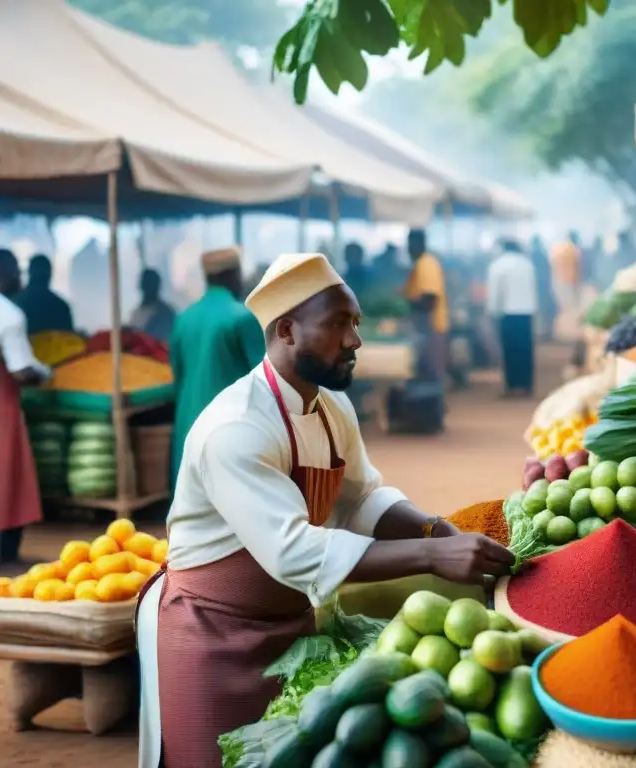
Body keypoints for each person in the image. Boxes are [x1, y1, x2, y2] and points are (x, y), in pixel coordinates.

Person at [135, 252, 514, 767]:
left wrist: (436, 529)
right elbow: (292, 551)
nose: (356, 340)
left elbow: (361, 497)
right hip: (210, 636)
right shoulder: (237, 429)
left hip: (289, 628)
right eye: (338, 324)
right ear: (287, 331)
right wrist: (429, 556)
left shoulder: (331, 406)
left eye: (355, 323)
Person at [168, 247, 266, 490]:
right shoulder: (242, 317)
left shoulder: (184, 319)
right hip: (229, 426)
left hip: (188, 424)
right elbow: (266, 379)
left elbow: (177, 374)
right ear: (234, 275)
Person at [0, 250, 48, 571]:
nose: (21, 278)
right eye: (16, 271)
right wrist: (44, 372)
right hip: (2, 406)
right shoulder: (9, 314)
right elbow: (20, 370)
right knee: (7, 472)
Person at [487, 239, 538, 397]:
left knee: (510, 351)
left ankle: (512, 386)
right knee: (525, 350)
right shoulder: (527, 264)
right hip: (526, 312)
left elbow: (495, 293)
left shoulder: (498, 265)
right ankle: (526, 385)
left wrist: (492, 312)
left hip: (508, 313)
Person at [404, 229, 449, 382]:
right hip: (428, 325)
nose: (408, 249)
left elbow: (429, 297)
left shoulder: (426, 264)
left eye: (409, 244)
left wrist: (408, 309)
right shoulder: (421, 263)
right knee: (428, 370)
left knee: (432, 371)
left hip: (432, 325)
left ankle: (435, 403)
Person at [13, 254, 74, 334]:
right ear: (49, 274)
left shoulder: (14, 304)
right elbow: (69, 340)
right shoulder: (61, 307)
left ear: (30, 272)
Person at [128, 269, 176, 343]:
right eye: (146, 284)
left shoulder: (165, 313)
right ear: (141, 286)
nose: (148, 288)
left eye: (151, 284)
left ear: (158, 286)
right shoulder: (135, 313)